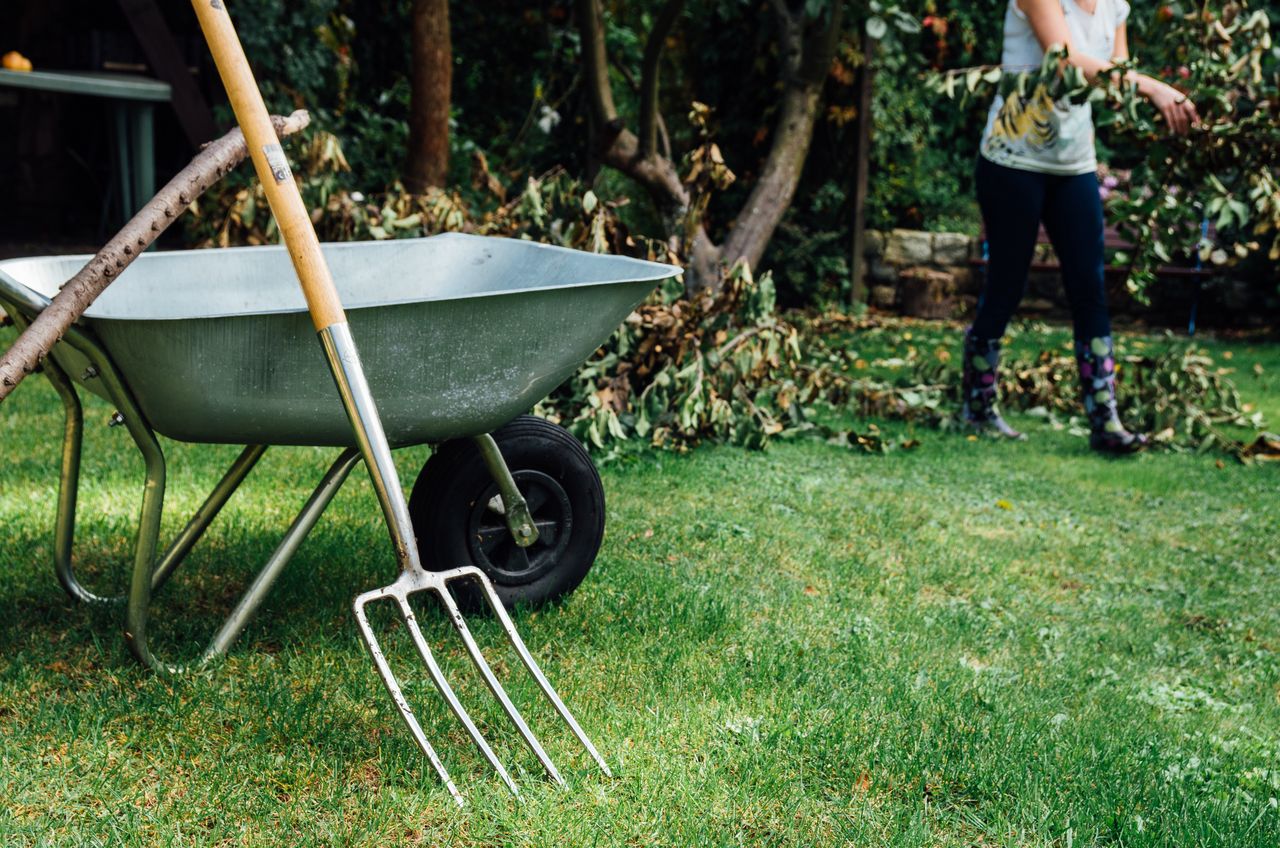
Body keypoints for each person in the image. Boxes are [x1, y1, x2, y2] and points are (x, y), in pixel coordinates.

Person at [961, 0, 1198, 453]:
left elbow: (1113, 78)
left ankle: (1105, 421)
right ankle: (977, 408)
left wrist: (1162, 110)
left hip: (1074, 164)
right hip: (1013, 159)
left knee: (1089, 287)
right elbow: (1065, 57)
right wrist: (1152, 87)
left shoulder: (1115, 6)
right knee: (1006, 284)